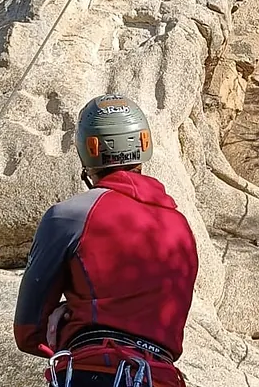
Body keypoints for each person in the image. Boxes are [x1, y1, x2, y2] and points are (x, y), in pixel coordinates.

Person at [14, 93, 198, 386]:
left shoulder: (69, 216)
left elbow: (28, 330)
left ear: (89, 149)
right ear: (144, 145)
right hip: (161, 378)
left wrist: (66, 322)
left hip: (93, 372)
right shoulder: (181, 228)